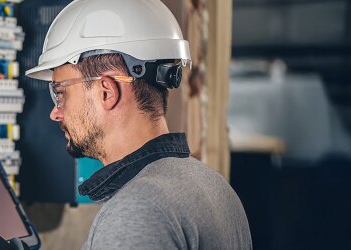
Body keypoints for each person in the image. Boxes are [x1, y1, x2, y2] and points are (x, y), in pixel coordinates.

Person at [23, 0, 252, 249]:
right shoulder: (212, 184)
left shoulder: (136, 209)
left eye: (61, 93)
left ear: (106, 92)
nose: (55, 113)